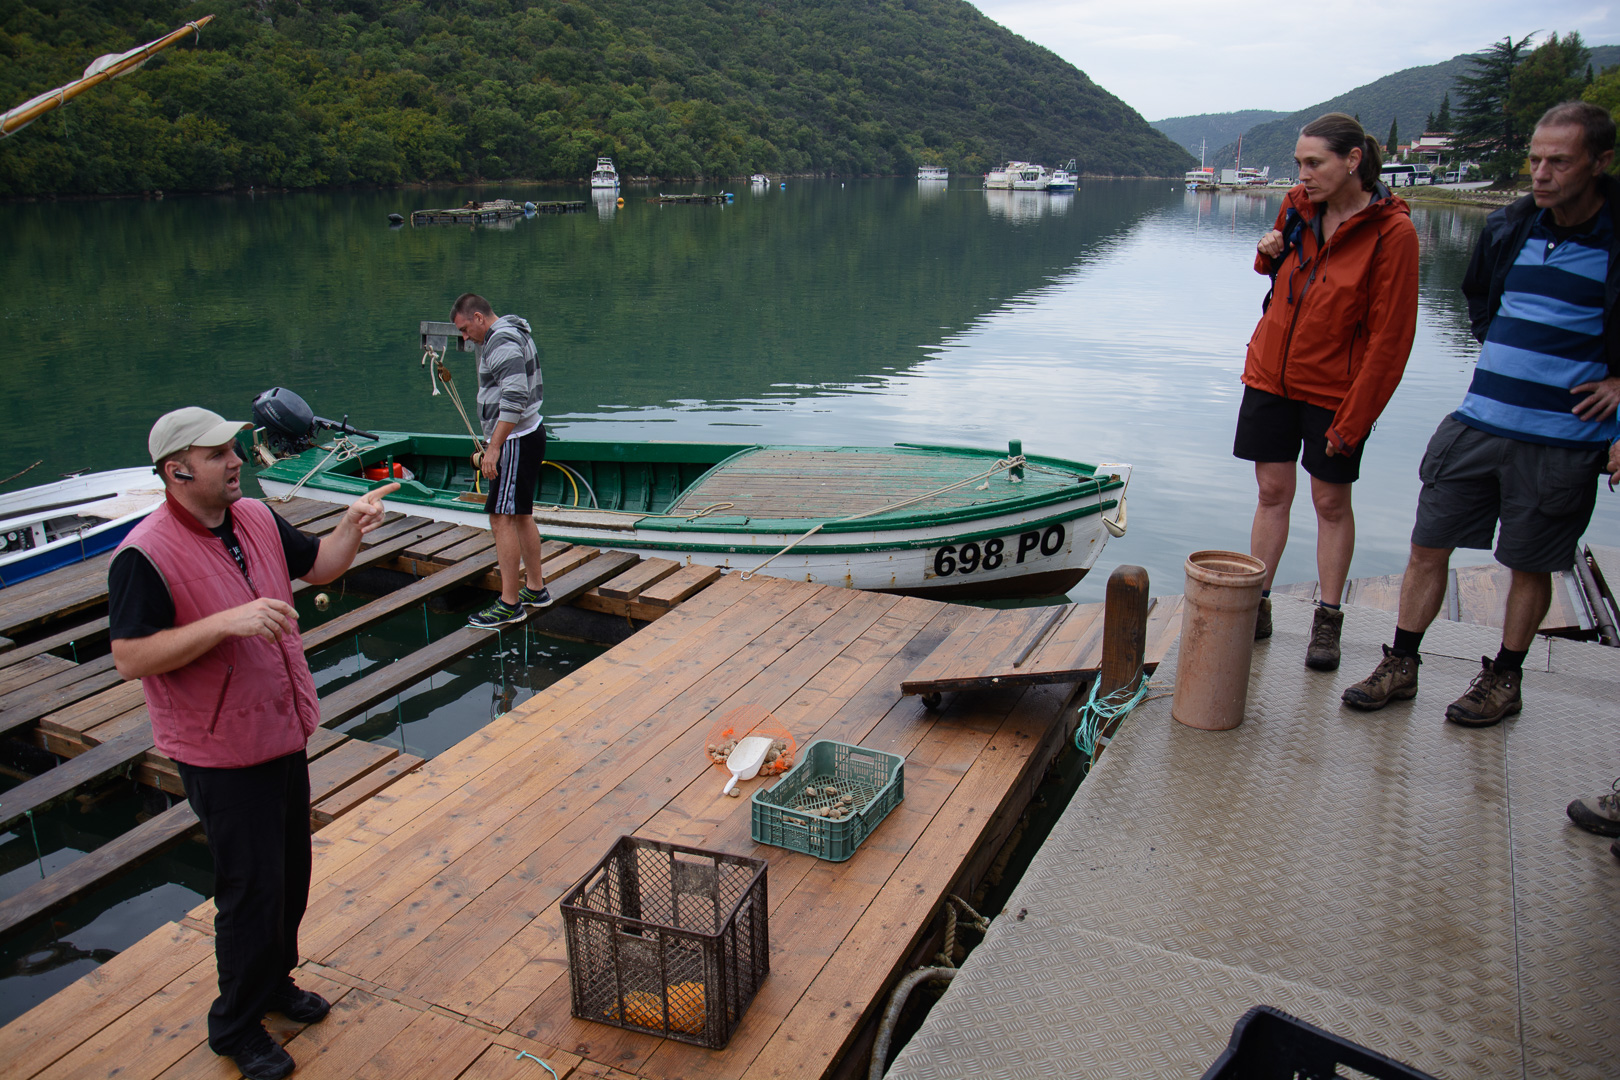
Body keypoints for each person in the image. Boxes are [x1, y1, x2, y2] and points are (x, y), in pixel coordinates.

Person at [108, 407, 398, 1080]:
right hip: (219, 749)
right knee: (250, 890)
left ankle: (273, 984)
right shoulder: (143, 554)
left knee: (289, 876)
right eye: (217, 454)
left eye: (234, 448)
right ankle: (235, 1027)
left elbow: (321, 567)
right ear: (177, 471)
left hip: (280, 727)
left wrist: (351, 526)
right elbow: (130, 657)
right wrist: (224, 623)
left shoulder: (258, 519)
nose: (236, 460)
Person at [1343, 101, 1620, 726]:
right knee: (1426, 545)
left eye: (1559, 161)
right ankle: (1401, 663)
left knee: (1530, 562)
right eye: (1535, 159)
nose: (1541, 173)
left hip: (1561, 438)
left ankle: (1504, 678)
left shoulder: (1615, 240)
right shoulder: (1510, 226)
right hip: (1479, 421)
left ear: (1600, 162)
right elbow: (1480, 300)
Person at [1238, 112, 1420, 670]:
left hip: (1335, 390)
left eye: (1314, 163)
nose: (1303, 174)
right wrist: (1267, 251)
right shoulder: (1298, 206)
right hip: (1271, 374)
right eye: (1299, 163)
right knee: (1272, 491)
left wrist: (1354, 420)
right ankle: (1256, 605)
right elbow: (1278, 272)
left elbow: (1391, 340)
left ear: (1353, 160)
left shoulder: (1393, 234)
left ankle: (1328, 618)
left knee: (1331, 502)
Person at [450, 293, 550, 629]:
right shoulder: (509, 331)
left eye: (465, 329)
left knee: (501, 517)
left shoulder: (501, 341)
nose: (466, 338)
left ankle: (510, 604)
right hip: (526, 435)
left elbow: (515, 396)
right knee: (520, 514)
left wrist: (494, 448)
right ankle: (535, 589)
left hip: (515, 440)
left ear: (479, 317)